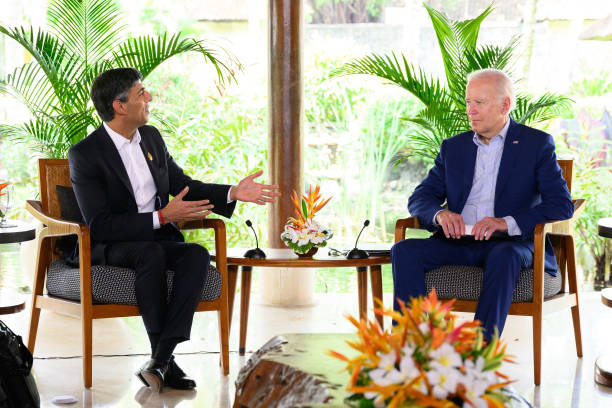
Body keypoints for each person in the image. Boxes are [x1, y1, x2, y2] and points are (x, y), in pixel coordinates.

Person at [68, 67, 280, 392]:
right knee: (151, 253)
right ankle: (165, 362)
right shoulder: (85, 154)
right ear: (119, 106)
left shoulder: (150, 137)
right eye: (142, 93)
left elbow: (183, 186)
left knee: (195, 254)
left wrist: (232, 193)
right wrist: (162, 216)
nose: (149, 97)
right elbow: (100, 224)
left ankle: (161, 359)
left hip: (155, 238)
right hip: (114, 243)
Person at [391, 68, 574, 340]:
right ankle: (409, 348)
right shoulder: (454, 148)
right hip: (456, 242)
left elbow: (561, 204)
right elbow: (421, 197)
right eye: (468, 102)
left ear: (505, 105)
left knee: (505, 255)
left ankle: (479, 352)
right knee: (404, 250)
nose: (470, 110)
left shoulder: (535, 145)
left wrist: (506, 222)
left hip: (509, 244)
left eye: (479, 102)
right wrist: (440, 214)